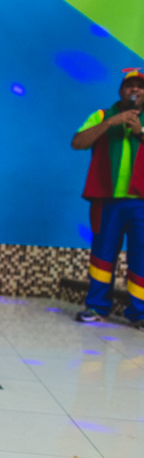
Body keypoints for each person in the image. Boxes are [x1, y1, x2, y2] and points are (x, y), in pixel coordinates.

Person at [72, 69, 144, 327]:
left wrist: (140, 132)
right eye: (129, 86)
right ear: (120, 91)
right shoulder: (102, 115)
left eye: (140, 86)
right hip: (106, 199)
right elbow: (78, 142)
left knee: (142, 256)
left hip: (141, 202)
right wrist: (109, 124)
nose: (135, 90)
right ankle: (97, 307)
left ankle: (139, 313)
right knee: (103, 253)